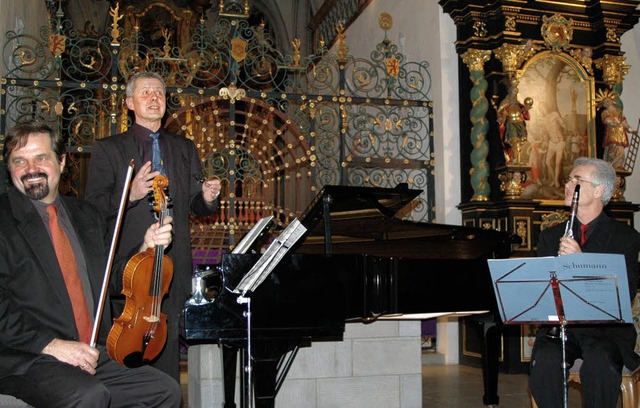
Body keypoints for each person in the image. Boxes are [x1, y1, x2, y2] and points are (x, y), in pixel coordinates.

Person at [0, 122, 181, 407]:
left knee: (165, 390)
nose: (30, 168)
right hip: (30, 356)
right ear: (10, 170)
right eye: (19, 161)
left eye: (41, 158)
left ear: (61, 162)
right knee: (89, 395)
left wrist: (145, 248)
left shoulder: (85, 215)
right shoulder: (4, 219)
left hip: (91, 350)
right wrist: (53, 346)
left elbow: (109, 277)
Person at [85, 71, 222, 381]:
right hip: (130, 267)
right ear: (130, 103)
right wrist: (130, 194)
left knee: (167, 349)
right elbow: (92, 207)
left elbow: (193, 205)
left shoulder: (184, 147)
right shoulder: (109, 148)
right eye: (145, 93)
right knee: (124, 352)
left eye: (159, 93)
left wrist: (207, 197)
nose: (154, 98)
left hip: (172, 266)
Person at [529, 157, 640, 408]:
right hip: (562, 329)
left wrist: (581, 262)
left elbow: (625, 292)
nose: (568, 184)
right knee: (545, 359)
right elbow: (541, 291)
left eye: (577, 180)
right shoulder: (551, 235)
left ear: (599, 190)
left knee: (599, 360)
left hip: (605, 330)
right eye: (569, 179)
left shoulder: (625, 238)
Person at [497, 79, 533, 165]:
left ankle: (518, 159)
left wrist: (526, 109)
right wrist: (503, 116)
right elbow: (500, 112)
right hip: (511, 124)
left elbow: (523, 112)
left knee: (520, 142)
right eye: (513, 91)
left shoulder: (518, 103)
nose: (515, 93)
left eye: (516, 91)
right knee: (514, 141)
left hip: (519, 123)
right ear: (510, 91)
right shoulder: (505, 102)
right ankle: (514, 159)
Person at [600, 96, 636, 170]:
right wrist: (615, 123)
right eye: (605, 102)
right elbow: (606, 120)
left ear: (612, 101)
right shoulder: (605, 112)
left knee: (620, 150)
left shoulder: (619, 111)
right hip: (612, 133)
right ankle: (611, 166)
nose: (607, 102)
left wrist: (630, 129)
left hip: (620, 133)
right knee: (612, 148)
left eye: (608, 100)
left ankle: (618, 166)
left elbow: (624, 122)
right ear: (604, 105)